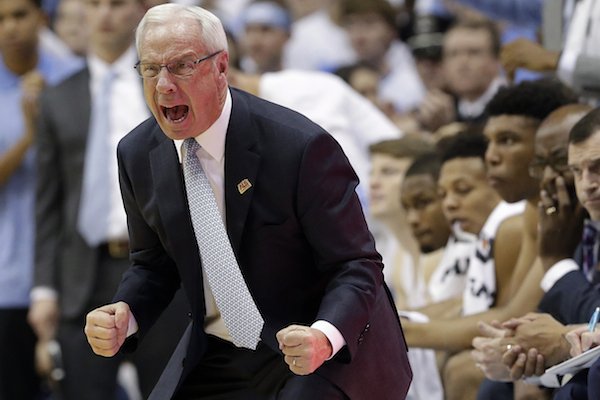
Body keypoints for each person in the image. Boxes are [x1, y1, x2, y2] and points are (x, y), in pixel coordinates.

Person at [84, 4, 412, 400]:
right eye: (151, 69)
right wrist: (126, 313)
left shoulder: (299, 146)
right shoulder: (137, 153)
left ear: (221, 67)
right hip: (223, 348)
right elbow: (153, 265)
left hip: (319, 343)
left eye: (182, 66)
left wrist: (324, 337)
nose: (164, 85)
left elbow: (357, 265)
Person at [30, 1, 189, 399]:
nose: (104, 15)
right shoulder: (58, 98)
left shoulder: (168, 87)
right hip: (84, 271)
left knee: (169, 391)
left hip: (165, 267)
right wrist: (44, 289)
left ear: (139, 10)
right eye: (94, 4)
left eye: (116, 4)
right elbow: (49, 201)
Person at [471, 103, 592, 400]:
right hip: (576, 365)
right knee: (494, 382)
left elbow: (589, 314)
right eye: (542, 165)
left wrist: (555, 261)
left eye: (561, 162)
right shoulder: (564, 220)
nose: (550, 178)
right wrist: (519, 349)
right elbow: (536, 317)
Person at [0, 0, 81, 398]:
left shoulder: (74, 81)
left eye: (19, 15)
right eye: (0, 19)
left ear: (42, 19)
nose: (10, 27)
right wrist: (34, 134)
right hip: (8, 280)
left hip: (75, 277)